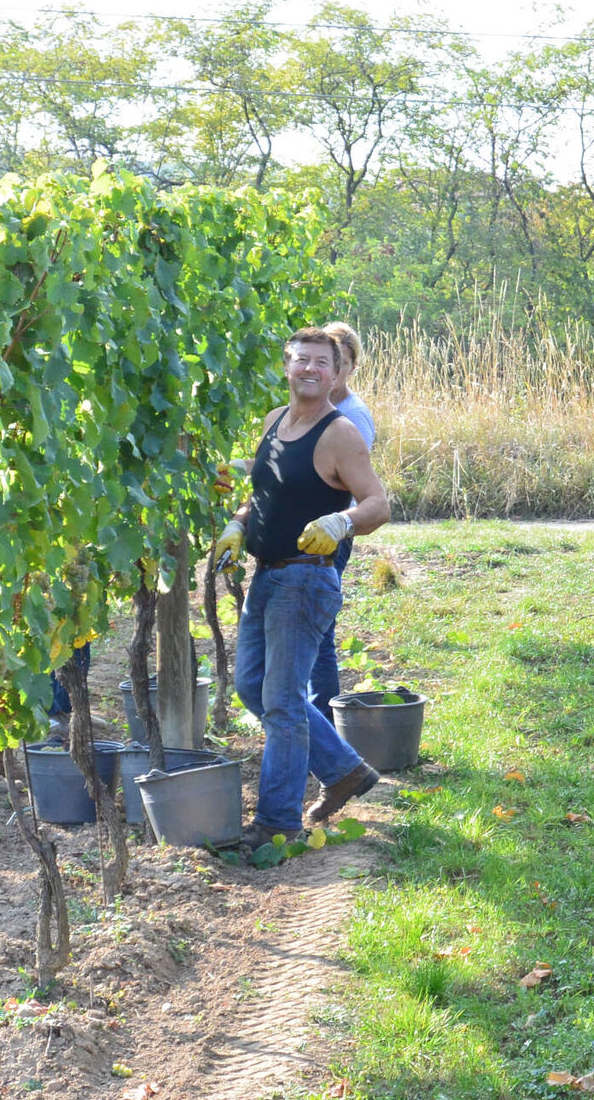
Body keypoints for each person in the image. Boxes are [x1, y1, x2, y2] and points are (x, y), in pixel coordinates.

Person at [213, 327, 392, 850]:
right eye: (300, 360)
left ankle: (277, 824)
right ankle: (343, 769)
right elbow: (263, 494)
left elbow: (376, 503)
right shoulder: (273, 422)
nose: (310, 369)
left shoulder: (340, 434)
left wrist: (342, 523)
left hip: (306, 579)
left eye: (321, 363)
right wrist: (238, 524)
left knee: (284, 701)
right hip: (267, 573)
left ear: (337, 375)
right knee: (253, 686)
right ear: (286, 367)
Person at [308, 321, 375, 711]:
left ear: (349, 368)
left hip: (332, 532)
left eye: (341, 363)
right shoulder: (315, 410)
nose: (331, 371)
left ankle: (326, 732)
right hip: (311, 531)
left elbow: (352, 482)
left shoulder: (352, 417)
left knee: (320, 636)